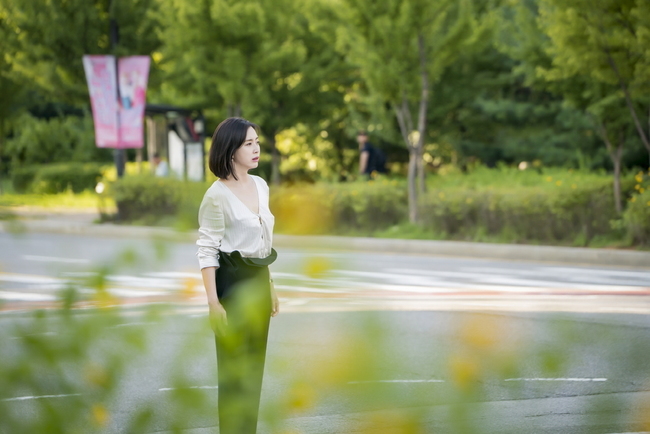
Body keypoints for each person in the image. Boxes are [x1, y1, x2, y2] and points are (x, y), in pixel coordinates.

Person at [196, 117, 279, 434]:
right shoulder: (216, 195)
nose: (256, 149)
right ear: (230, 150)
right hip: (230, 285)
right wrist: (213, 304)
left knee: (254, 368)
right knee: (233, 373)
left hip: (258, 278)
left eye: (257, 141)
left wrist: (270, 284)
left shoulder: (260, 185)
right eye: (248, 144)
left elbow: (262, 244)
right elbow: (207, 249)